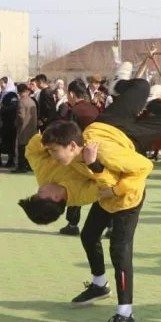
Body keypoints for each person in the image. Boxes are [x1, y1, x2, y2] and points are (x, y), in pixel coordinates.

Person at [20, 116, 152, 322]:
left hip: (129, 196)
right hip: (110, 194)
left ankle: (125, 315)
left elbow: (144, 168)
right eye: (39, 193)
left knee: (119, 251)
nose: (39, 187)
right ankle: (100, 286)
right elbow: (104, 184)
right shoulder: (80, 192)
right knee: (89, 234)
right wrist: (94, 167)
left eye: (52, 150)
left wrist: (47, 137)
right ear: (52, 198)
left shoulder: (95, 154)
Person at [58, 79, 101, 236]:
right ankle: (109, 224)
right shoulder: (95, 109)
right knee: (101, 187)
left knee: (75, 188)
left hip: (79, 156)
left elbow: (70, 135)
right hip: (96, 153)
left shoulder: (74, 111)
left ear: (71, 94)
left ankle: (72, 223)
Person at [12, 83, 38, 173]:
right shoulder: (32, 101)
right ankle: (29, 166)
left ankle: (21, 167)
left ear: (18, 91)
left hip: (23, 129)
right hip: (32, 128)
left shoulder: (21, 101)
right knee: (29, 148)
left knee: (22, 148)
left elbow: (21, 116)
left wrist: (16, 123)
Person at [0, 77, 19, 167]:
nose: (1, 85)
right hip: (1, 121)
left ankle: (10, 160)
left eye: (2, 83)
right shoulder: (3, 93)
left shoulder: (12, 94)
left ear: (7, 83)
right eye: (0, 83)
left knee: (9, 141)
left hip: (10, 122)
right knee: (0, 140)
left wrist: (2, 108)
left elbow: (13, 107)